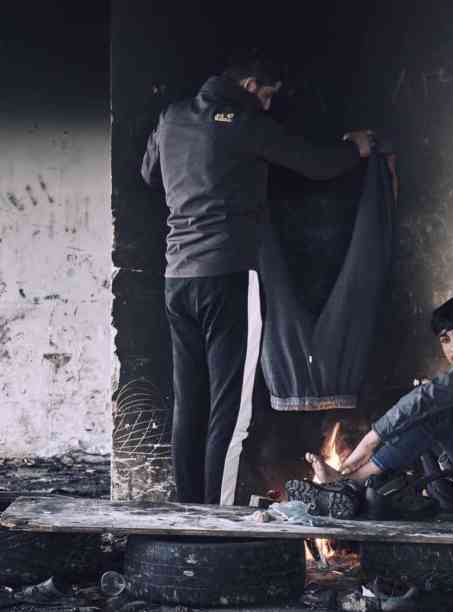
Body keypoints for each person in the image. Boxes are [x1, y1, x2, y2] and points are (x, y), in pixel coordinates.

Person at [141, 57, 375, 504]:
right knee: (230, 409)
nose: (267, 106)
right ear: (248, 86)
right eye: (266, 95)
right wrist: (356, 149)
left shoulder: (171, 116)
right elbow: (312, 163)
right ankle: (217, 517)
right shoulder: (243, 121)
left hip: (177, 278)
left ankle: (188, 508)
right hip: (227, 276)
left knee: (189, 402)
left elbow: (149, 173)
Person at [287, 294, 453, 518]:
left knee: (435, 413)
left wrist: (371, 439)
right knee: (428, 411)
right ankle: (367, 487)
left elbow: (429, 399)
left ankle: (350, 482)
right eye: (445, 339)